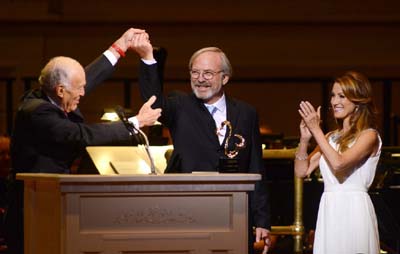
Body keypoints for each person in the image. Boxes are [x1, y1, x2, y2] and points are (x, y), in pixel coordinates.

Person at [7, 28, 162, 254]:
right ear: (60, 90)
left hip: (49, 199)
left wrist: (118, 48)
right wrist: (135, 122)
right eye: (79, 89)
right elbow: (80, 135)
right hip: (32, 207)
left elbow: (87, 79)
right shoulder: (37, 112)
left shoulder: (51, 93)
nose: (83, 92)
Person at [130, 34, 271, 253]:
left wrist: (262, 220)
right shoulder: (180, 106)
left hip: (236, 212)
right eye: (195, 72)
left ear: (224, 78)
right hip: (188, 210)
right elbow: (152, 101)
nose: (200, 79)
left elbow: (255, 166)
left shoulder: (246, 113)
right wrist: (149, 59)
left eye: (207, 73)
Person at [295, 71, 381, 254]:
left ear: (357, 101)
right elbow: (301, 171)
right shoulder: (329, 138)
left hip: (354, 209)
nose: (334, 102)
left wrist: (316, 130)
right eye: (333, 96)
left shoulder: (369, 135)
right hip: (330, 209)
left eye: (341, 96)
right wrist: (304, 140)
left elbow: (339, 164)